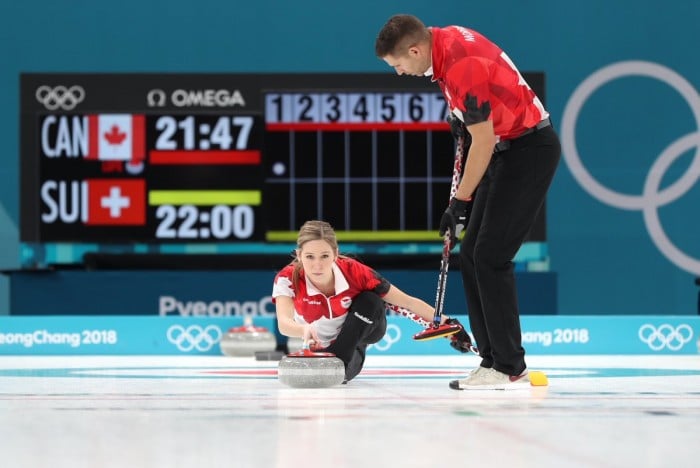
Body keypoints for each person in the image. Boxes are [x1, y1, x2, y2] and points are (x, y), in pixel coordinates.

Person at [375, 15, 561, 389]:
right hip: (505, 151)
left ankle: (509, 366)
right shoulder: (443, 44)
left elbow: (485, 140)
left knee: (491, 256)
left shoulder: (461, 65)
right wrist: (458, 115)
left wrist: (460, 202)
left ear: (415, 50)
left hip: (527, 150)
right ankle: (491, 360)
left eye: (398, 65)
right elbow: (478, 118)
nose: (399, 72)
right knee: (473, 252)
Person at [271, 220, 472, 383]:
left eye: (324, 256)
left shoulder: (355, 272)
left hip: (362, 332)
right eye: (309, 256)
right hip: (320, 346)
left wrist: (449, 325)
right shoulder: (288, 278)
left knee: (371, 300)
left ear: (335, 253)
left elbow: (407, 302)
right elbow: (284, 323)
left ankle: (339, 361)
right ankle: (336, 362)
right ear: (299, 255)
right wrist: (303, 330)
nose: (317, 265)